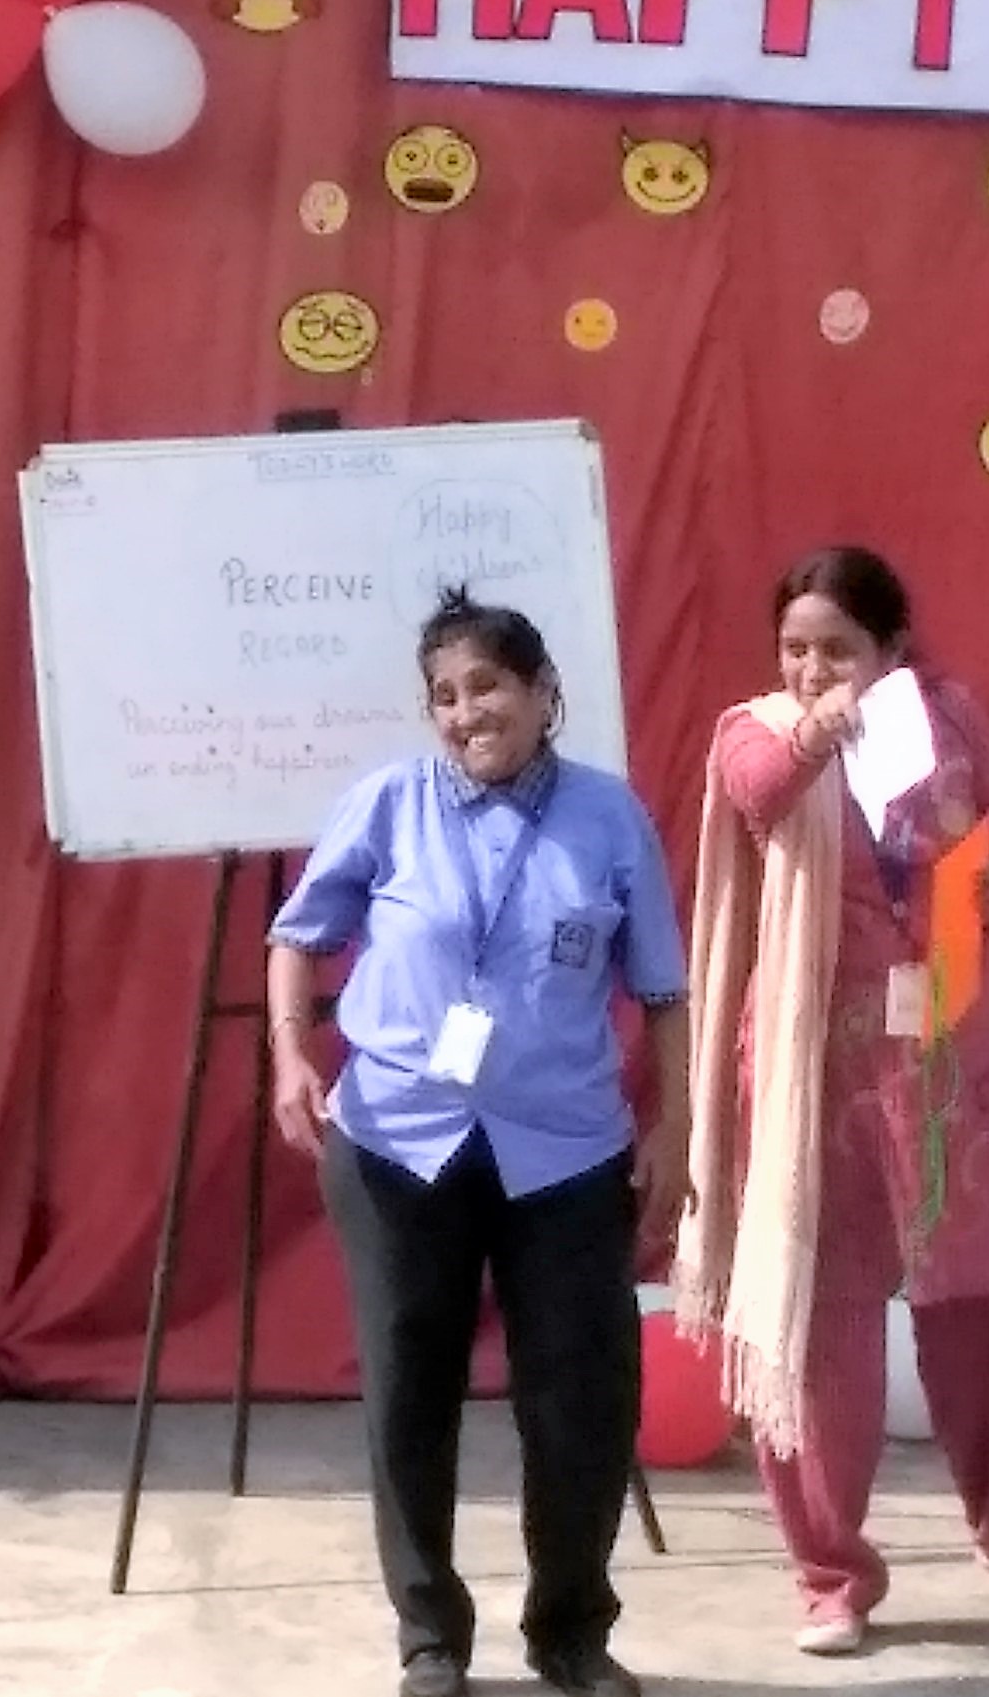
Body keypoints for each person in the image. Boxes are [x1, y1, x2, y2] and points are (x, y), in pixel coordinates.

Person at [673, 546, 989, 1657]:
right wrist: (816, 729)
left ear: (891, 647)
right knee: (821, 1315)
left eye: (837, 649)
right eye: (794, 647)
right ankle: (831, 1573)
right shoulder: (756, 731)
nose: (811, 668)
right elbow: (758, 792)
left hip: (949, 1046)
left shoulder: (949, 720)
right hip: (815, 1064)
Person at [266, 590, 690, 1697]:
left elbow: (661, 988)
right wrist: (290, 1051)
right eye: (444, 696)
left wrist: (678, 1123)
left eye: (487, 686)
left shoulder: (608, 816)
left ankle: (571, 1630)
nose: (466, 713)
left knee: (581, 1393)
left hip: (567, 1150)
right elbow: (297, 934)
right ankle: (429, 1636)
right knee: (409, 1388)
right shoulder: (387, 803)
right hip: (399, 1142)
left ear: (544, 691)